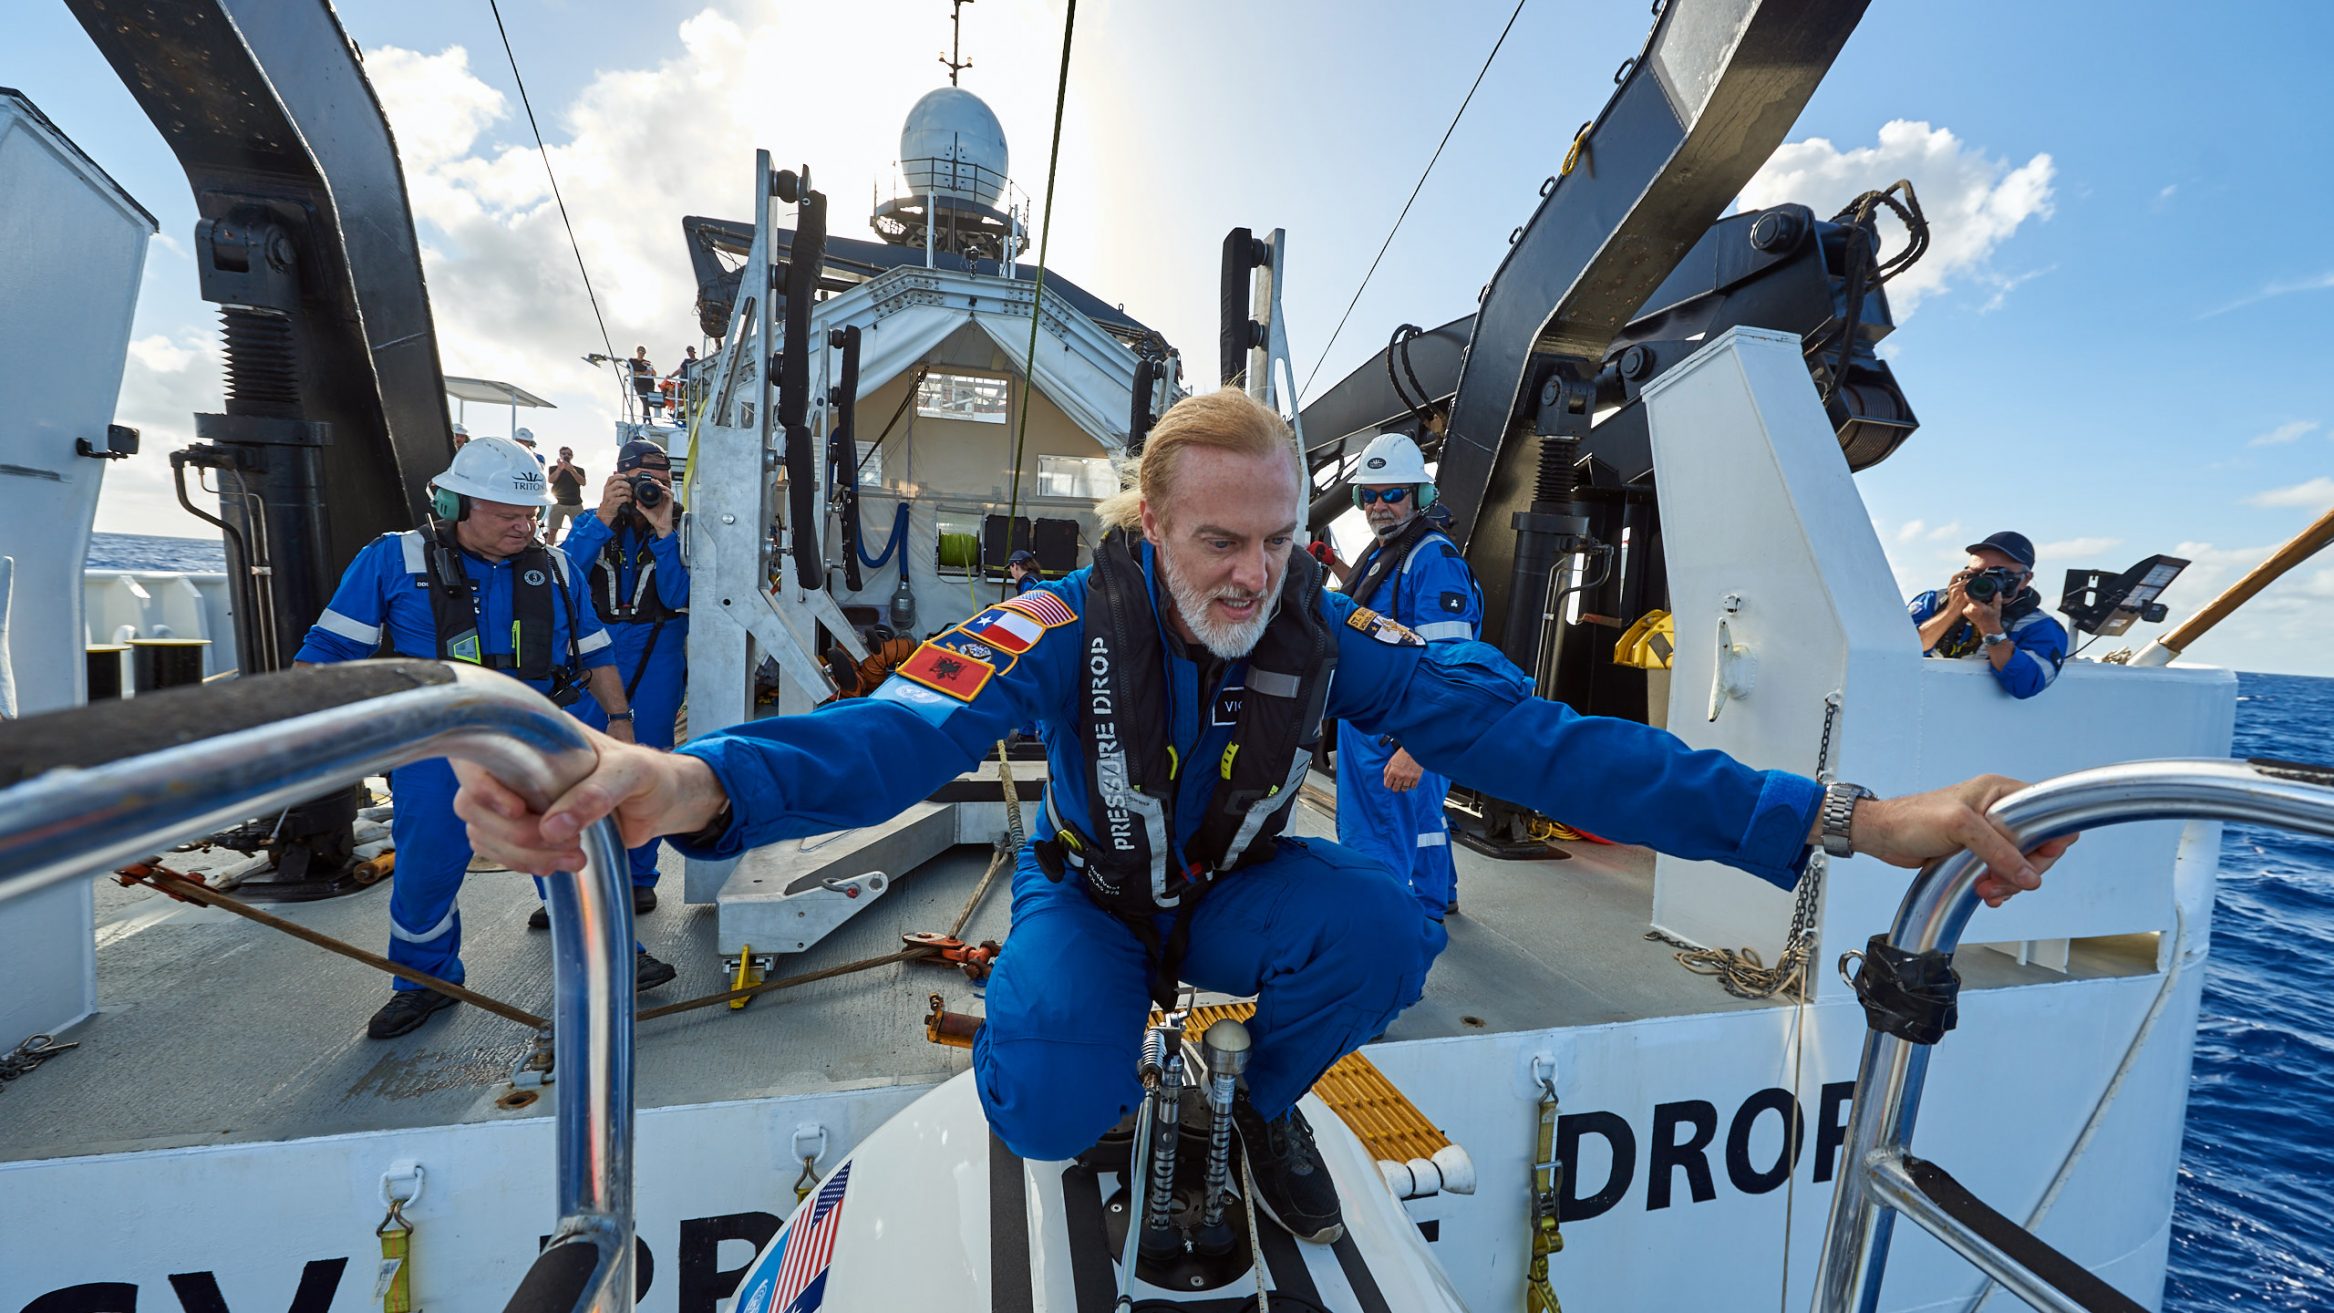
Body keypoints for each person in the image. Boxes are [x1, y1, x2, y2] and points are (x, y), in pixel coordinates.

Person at [449, 391, 2069, 1246]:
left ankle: (1258, 1099)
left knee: (1381, 923)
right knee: (1042, 1093)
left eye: (1277, 537)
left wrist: (1861, 819)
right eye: (1216, 537)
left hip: (1232, 896)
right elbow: (889, 727)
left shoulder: (1329, 635)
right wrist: (681, 782)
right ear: (1145, 525)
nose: (1248, 570)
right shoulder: (1050, 627)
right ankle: (1104, 1095)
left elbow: (1568, 751)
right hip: (1087, 898)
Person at [293, 435, 679, 1040]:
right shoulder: (392, 560)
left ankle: (611, 954)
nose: (523, 527)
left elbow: (595, 649)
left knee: (572, 850)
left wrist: (620, 720)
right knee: (427, 865)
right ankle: (424, 983)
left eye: (530, 514)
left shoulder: (555, 565)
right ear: (453, 507)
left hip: (542, 733)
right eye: (506, 516)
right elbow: (329, 653)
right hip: (441, 744)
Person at [528, 438, 688, 924]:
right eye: (642, 480)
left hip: (658, 649)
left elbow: (680, 594)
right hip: (593, 652)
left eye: (661, 482)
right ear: (618, 477)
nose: (650, 489)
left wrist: (663, 533)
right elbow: (561, 576)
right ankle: (568, 885)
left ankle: (639, 878)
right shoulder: (594, 523)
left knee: (649, 763)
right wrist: (600, 517)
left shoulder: (680, 527)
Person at [1333, 432, 1482, 918]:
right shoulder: (1385, 553)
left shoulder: (1433, 563)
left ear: (1418, 497)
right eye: (1368, 495)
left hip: (1399, 738)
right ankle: (1436, 897)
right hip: (1374, 731)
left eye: (1393, 493)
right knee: (1420, 825)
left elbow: (1452, 664)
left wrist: (1417, 749)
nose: (1379, 506)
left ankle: (1385, 939)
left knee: (1376, 841)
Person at [1909, 531, 2069, 700]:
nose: (1984, 581)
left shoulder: (2040, 627)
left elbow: (2026, 685)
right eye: (1976, 573)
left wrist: (1991, 629)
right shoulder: (1933, 602)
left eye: (1999, 574)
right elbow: (1902, 651)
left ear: (2025, 579)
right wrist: (1950, 610)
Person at [546, 446, 588, 544]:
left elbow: (583, 482)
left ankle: (578, 552)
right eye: (564, 454)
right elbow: (551, 480)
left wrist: (572, 470)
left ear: (572, 456)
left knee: (580, 530)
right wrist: (559, 469)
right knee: (552, 530)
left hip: (576, 504)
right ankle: (549, 552)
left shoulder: (579, 470)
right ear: (560, 455)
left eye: (568, 454)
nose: (566, 456)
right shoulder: (553, 468)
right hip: (558, 503)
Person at [628, 346, 661, 422]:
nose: (641, 353)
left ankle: (646, 421)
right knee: (645, 401)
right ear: (637, 351)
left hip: (649, 384)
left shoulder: (647, 362)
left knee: (647, 402)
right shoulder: (632, 361)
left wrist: (651, 370)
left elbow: (654, 374)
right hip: (639, 384)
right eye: (640, 351)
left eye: (643, 352)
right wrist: (643, 373)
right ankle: (648, 421)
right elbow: (631, 373)